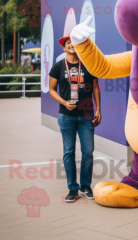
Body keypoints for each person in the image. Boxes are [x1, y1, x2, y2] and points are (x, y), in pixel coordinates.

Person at [49, 33, 101, 203]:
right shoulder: (58, 67)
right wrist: (65, 102)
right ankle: (73, 188)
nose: (71, 45)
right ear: (64, 47)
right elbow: (51, 90)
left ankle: (86, 186)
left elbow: (95, 87)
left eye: (74, 43)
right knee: (69, 152)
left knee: (88, 152)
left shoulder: (88, 65)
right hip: (66, 116)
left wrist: (99, 110)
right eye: (68, 43)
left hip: (87, 117)